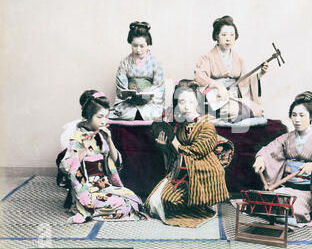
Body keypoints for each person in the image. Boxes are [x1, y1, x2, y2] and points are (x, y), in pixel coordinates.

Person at [252, 91, 312, 226]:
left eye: (302, 115)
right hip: (287, 185)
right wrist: (260, 158)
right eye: (294, 115)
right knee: (268, 202)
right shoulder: (288, 137)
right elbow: (270, 149)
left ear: (311, 117)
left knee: (289, 209)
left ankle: (301, 212)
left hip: (307, 190)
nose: (297, 119)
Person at [145, 80, 230, 227]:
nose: (187, 106)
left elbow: (197, 151)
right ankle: (190, 204)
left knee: (166, 201)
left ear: (198, 102)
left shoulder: (207, 125)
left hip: (203, 169)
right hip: (184, 168)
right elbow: (175, 155)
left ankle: (198, 206)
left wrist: (174, 143)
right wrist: (164, 146)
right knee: (152, 202)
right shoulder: (181, 125)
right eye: (182, 102)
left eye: (191, 101)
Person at [59, 90, 147, 223]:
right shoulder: (78, 137)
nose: (104, 121)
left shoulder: (100, 135)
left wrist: (109, 140)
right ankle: (86, 210)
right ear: (89, 116)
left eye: (106, 116)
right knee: (123, 205)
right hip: (87, 190)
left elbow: (117, 162)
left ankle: (97, 210)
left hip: (103, 186)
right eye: (100, 117)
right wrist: (83, 149)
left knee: (134, 201)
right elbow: (66, 166)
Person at [194, 15, 269, 123]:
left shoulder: (239, 59)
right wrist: (217, 85)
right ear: (217, 36)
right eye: (224, 35)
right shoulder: (207, 57)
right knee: (233, 111)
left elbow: (244, 82)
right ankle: (224, 115)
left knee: (258, 110)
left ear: (235, 37)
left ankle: (233, 113)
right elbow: (199, 76)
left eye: (232, 35)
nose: (228, 38)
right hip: (217, 97)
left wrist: (261, 74)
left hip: (234, 97)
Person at [110, 21, 165, 121]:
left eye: (142, 46)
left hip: (150, 103)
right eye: (135, 45)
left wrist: (148, 96)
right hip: (129, 102)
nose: (138, 50)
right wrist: (129, 95)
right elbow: (121, 88)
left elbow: (159, 87)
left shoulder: (155, 63)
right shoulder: (125, 62)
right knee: (125, 113)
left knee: (148, 113)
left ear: (148, 45)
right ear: (130, 44)